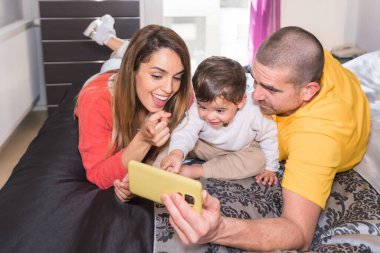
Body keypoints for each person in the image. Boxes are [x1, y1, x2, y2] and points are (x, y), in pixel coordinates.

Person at [161, 26, 371, 251]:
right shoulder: (302, 56)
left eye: (270, 89)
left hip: (323, 134)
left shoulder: (318, 140)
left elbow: (298, 231)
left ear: (308, 91)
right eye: (255, 79)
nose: (255, 96)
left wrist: (218, 229)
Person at [75, 24, 193, 202]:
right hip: (109, 75)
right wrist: (144, 140)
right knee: (114, 61)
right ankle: (107, 37)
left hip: (130, 67)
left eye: (177, 77)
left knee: (131, 53)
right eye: (157, 76)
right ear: (132, 72)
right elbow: (98, 176)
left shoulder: (183, 93)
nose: (169, 89)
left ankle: (109, 38)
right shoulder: (96, 100)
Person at [160, 56, 279, 184]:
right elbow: (186, 131)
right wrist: (177, 153)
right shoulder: (197, 106)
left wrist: (270, 168)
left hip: (240, 150)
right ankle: (156, 173)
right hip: (203, 145)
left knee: (258, 159)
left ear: (240, 101)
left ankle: (197, 170)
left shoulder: (254, 110)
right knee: (170, 144)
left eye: (219, 111)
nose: (210, 116)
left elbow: (269, 136)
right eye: (203, 107)